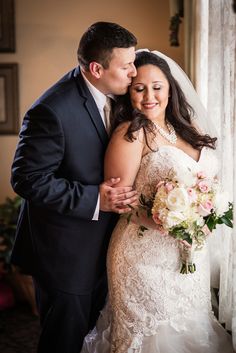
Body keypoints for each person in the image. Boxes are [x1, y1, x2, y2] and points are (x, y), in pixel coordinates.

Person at [81, 50, 235, 352]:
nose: (149, 96)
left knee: (192, 328)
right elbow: (119, 200)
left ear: (170, 89)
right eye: (139, 88)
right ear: (130, 92)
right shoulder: (131, 133)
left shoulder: (189, 130)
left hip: (190, 254)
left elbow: (209, 184)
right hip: (143, 257)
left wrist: (203, 219)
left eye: (157, 87)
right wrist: (167, 221)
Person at [10, 22, 138, 353]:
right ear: (97, 69)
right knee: (64, 342)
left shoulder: (120, 97)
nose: (133, 73)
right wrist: (96, 199)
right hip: (65, 254)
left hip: (106, 248)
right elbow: (27, 178)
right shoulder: (51, 110)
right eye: (126, 66)